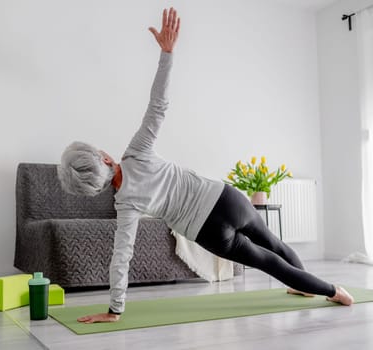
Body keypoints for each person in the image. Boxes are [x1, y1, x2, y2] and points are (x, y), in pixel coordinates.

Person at [57, 7, 354, 324]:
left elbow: (122, 257)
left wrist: (114, 309)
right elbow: (158, 105)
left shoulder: (125, 205)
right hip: (226, 199)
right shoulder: (136, 152)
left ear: (95, 187)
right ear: (104, 158)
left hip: (208, 231)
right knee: (274, 243)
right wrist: (167, 54)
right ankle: (307, 285)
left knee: (268, 262)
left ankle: (332, 290)